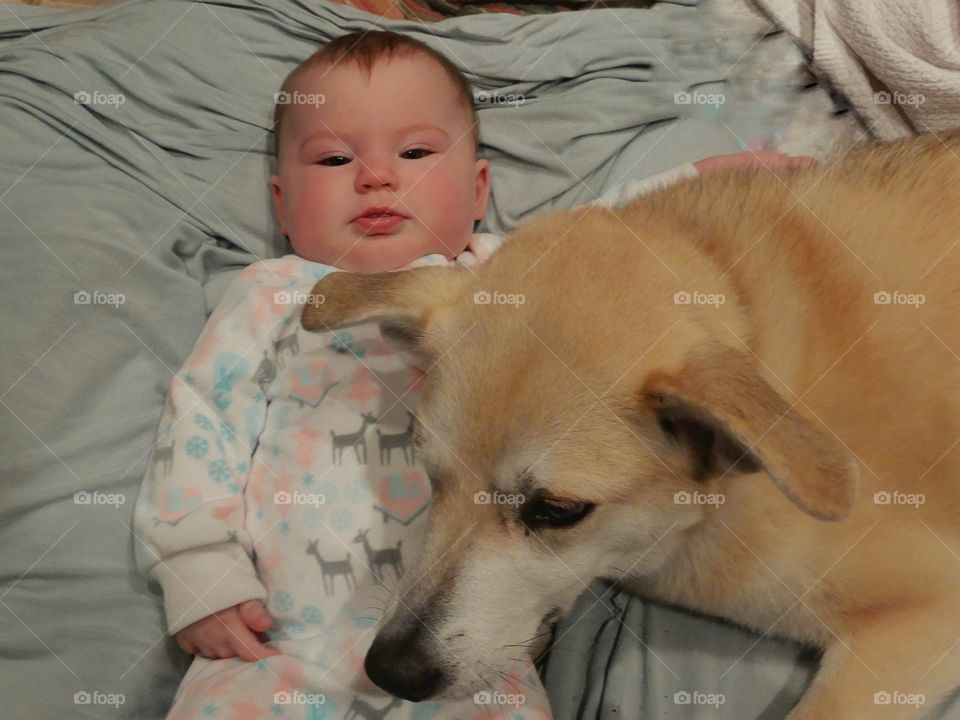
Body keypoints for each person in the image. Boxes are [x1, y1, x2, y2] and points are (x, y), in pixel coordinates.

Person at [133, 29, 814, 720]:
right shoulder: (268, 295)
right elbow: (200, 425)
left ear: (479, 189)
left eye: (417, 153)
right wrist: (195, 568)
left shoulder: (498, 280)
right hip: (275, 646)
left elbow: (608, 235)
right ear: (281, 204)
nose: (377, 176)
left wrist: (702, 180)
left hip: (477, 659)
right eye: (336, 157)